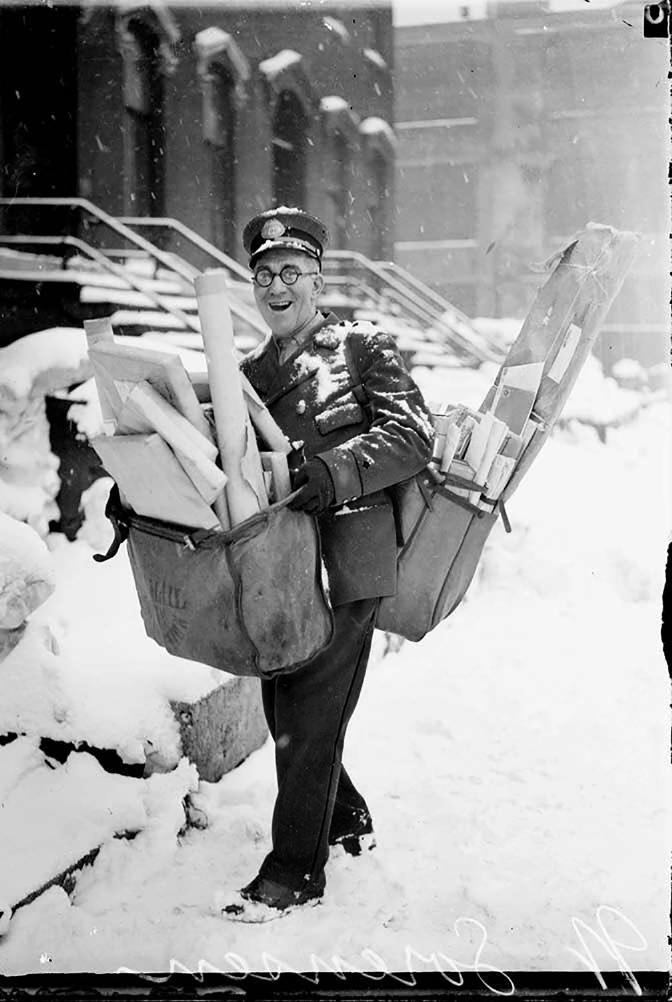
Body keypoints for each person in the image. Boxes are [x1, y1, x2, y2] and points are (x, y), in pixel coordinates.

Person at [220, 206, 434, 922]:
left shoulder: (362, 346)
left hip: (349, 560)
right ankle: (346, 820)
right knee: (285, 705)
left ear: (316, 280)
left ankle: (293, 873)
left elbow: (412, 434)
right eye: (262, 275)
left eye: (289, 272)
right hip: (281, 570)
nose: (275, 287)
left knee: (310, 714)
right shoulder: (246, 376)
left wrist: (336, 472)